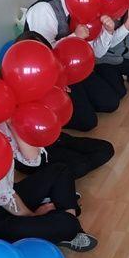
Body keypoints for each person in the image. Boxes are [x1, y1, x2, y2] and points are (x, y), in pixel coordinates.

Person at [0, 64, 96, 251]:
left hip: (8, 193)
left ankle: (66, 224)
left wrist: (13, 122)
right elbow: (1, 195)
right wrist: (34, 216)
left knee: (61, 170)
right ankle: (66, 226)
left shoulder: (0, 118)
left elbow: (32, 160)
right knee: (67, 225)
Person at [24, 0, 121, 131]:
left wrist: (108, 32)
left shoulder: (87, 7)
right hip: (50, 78)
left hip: (76, 70)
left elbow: (97, 52)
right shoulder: (44, 9)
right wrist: (75, 36)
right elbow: (42, 56)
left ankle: (82, 101)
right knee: (88, 122)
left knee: (111, 103)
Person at [13, 31, 115, 180]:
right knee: (80, 165)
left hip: (54, 136)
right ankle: (57, 175)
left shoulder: (49, 74)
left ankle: (64, 171)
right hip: (32, 152)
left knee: (106, 149)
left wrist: (60, 88)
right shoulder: (17, 82)